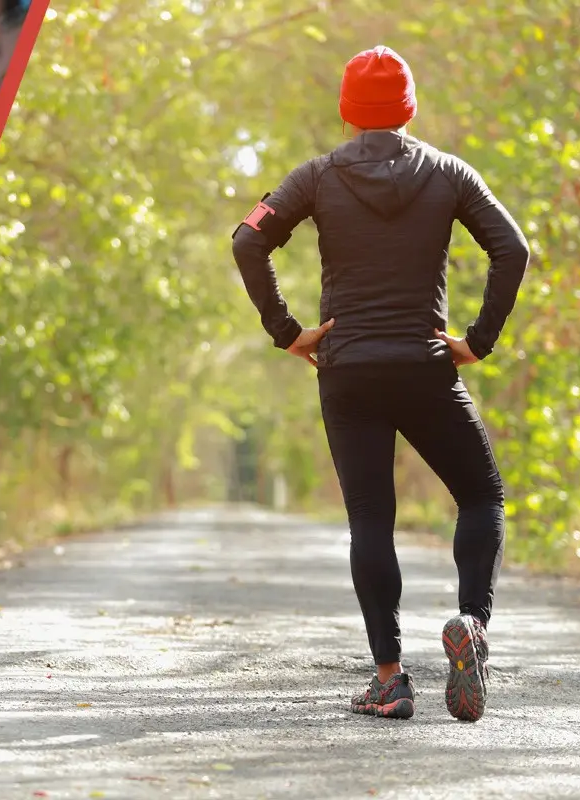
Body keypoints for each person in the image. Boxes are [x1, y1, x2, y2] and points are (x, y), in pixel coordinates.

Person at [230, 45, 530, 722]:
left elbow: (247, 241)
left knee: (371, 519)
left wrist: (289, 332)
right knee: (481, 496)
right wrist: (477, 342)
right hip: (426, 367)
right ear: (409, 107)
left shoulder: (316, 177)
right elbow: (513, 250)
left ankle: (390, 679)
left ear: (347, 110)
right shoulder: (450, 174)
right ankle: (472, 625)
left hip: (349, 370)